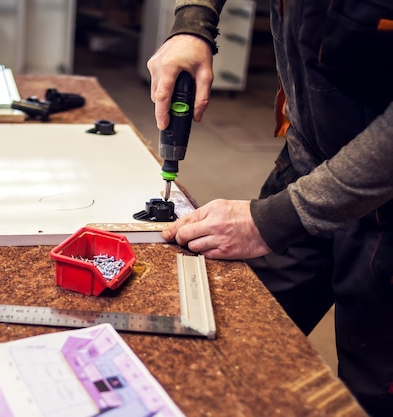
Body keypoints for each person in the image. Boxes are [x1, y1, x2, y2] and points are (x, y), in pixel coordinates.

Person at [147, 1, 393, 416]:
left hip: (385, 210)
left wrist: (274, 220)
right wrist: (193, 21)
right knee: (226, 339)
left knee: (368, 401)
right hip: (306, 162)